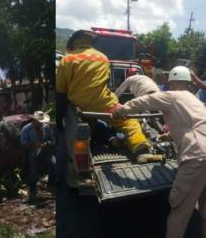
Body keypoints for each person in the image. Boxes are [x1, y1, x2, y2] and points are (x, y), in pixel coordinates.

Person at [112, 65, 206, 238]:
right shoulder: (194, 100)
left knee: (179, 209)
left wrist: (121, 111)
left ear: (173, 82)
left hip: (197, 157)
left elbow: (144, 101)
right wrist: (169, 136)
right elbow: (192, 124)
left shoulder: (171, 95)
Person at [56, 29, 161, 165]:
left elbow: (60, 91)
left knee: (81, 129)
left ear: (75, 42)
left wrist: (60, 119)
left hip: (77, 103)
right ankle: (141, 152)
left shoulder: (67, 59)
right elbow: (102, 82)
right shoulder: (102, 57)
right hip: (102, 102)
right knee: (129, 122)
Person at [20, 111, 55, 201]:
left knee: (54, 165)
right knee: (34, 172)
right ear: (34, 120)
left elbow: (51, 140)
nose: (40, 123)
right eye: (39, 121)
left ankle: (50, 186)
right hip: (32, 152)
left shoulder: (46, 128)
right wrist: (32, 145)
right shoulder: (26, 129)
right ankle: (32, 191)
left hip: (45, 151)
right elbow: (22, 142)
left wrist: (46, 144)